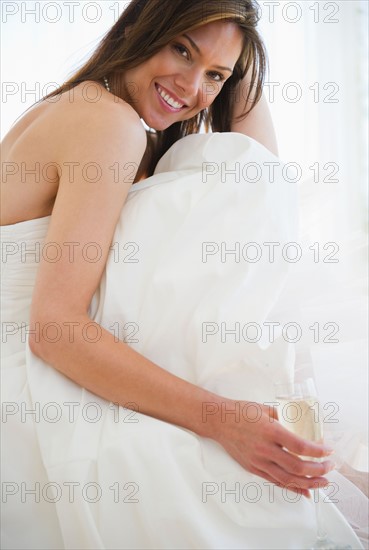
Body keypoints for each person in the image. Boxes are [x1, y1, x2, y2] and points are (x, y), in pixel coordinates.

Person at [1, 1, 363, 548]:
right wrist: (223, 420)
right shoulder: (108, 124)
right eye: (181, 49)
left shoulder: (101, 114)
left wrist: (234, 61)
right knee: (239, 486)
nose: (191, 86)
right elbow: (54, 328)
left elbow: (263, 187)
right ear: (141, 29)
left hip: (42, 359)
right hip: (28, 376)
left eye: (216, 75)